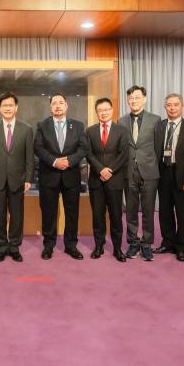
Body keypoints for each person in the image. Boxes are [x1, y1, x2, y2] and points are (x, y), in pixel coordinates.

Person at [34, 93, 85, 260]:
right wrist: (55, 161)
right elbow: (38, 148)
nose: (57, 105)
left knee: (72, 213)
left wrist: (69, 161)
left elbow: (83, 149)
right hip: (49, 175)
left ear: (66, 106)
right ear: (50, 107)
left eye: (61, 103)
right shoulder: (42, 125)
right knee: (48, 212)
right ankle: (48, 245)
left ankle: (71, 246)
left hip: (71, 176)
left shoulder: (77, 126)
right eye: (54, 103)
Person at [0, 92, 34, 263]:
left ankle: (14, 247)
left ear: (16, 107)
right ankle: (1, 247)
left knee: (17, 215)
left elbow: (29, 158)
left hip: (18, 180)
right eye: (4, 105)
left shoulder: (26, 129)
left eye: (10, 105)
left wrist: (28, 179)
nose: (7, 108)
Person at [154, 93, 184, 262]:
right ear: (165, 107)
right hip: (163, 173)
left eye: (176, 105)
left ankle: (181, 247)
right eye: (169, 105)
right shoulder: (159, 126)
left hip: (183, 175)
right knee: (164, 212)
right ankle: (167, 242)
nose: (172, 108)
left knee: (182, 213)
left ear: (182, 106)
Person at [82, 97, 128, 262]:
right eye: (100, 110)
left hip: (115, 180)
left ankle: (117, 249)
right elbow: (88, 153)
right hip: (96, 180)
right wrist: (100, 169)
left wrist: (110, 170)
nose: (103, 112)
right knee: (98, 215)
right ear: (97, 112)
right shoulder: (90, 131)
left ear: (112, 110)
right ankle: (99, 246)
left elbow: (124, 155)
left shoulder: (122, 130)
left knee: (116, 216)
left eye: (106, 109)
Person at [118, 85, 160, 261]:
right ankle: (133, 243)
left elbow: (158, 146)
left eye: (136, 97)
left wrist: (151, 164)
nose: (133, 101)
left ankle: (147, 244)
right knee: (131, 210)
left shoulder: (155, 119)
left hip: (149, 171)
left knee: (149, 210)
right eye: (130, 99)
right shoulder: (121, 121)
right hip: (129, 172)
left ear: (144, 99)